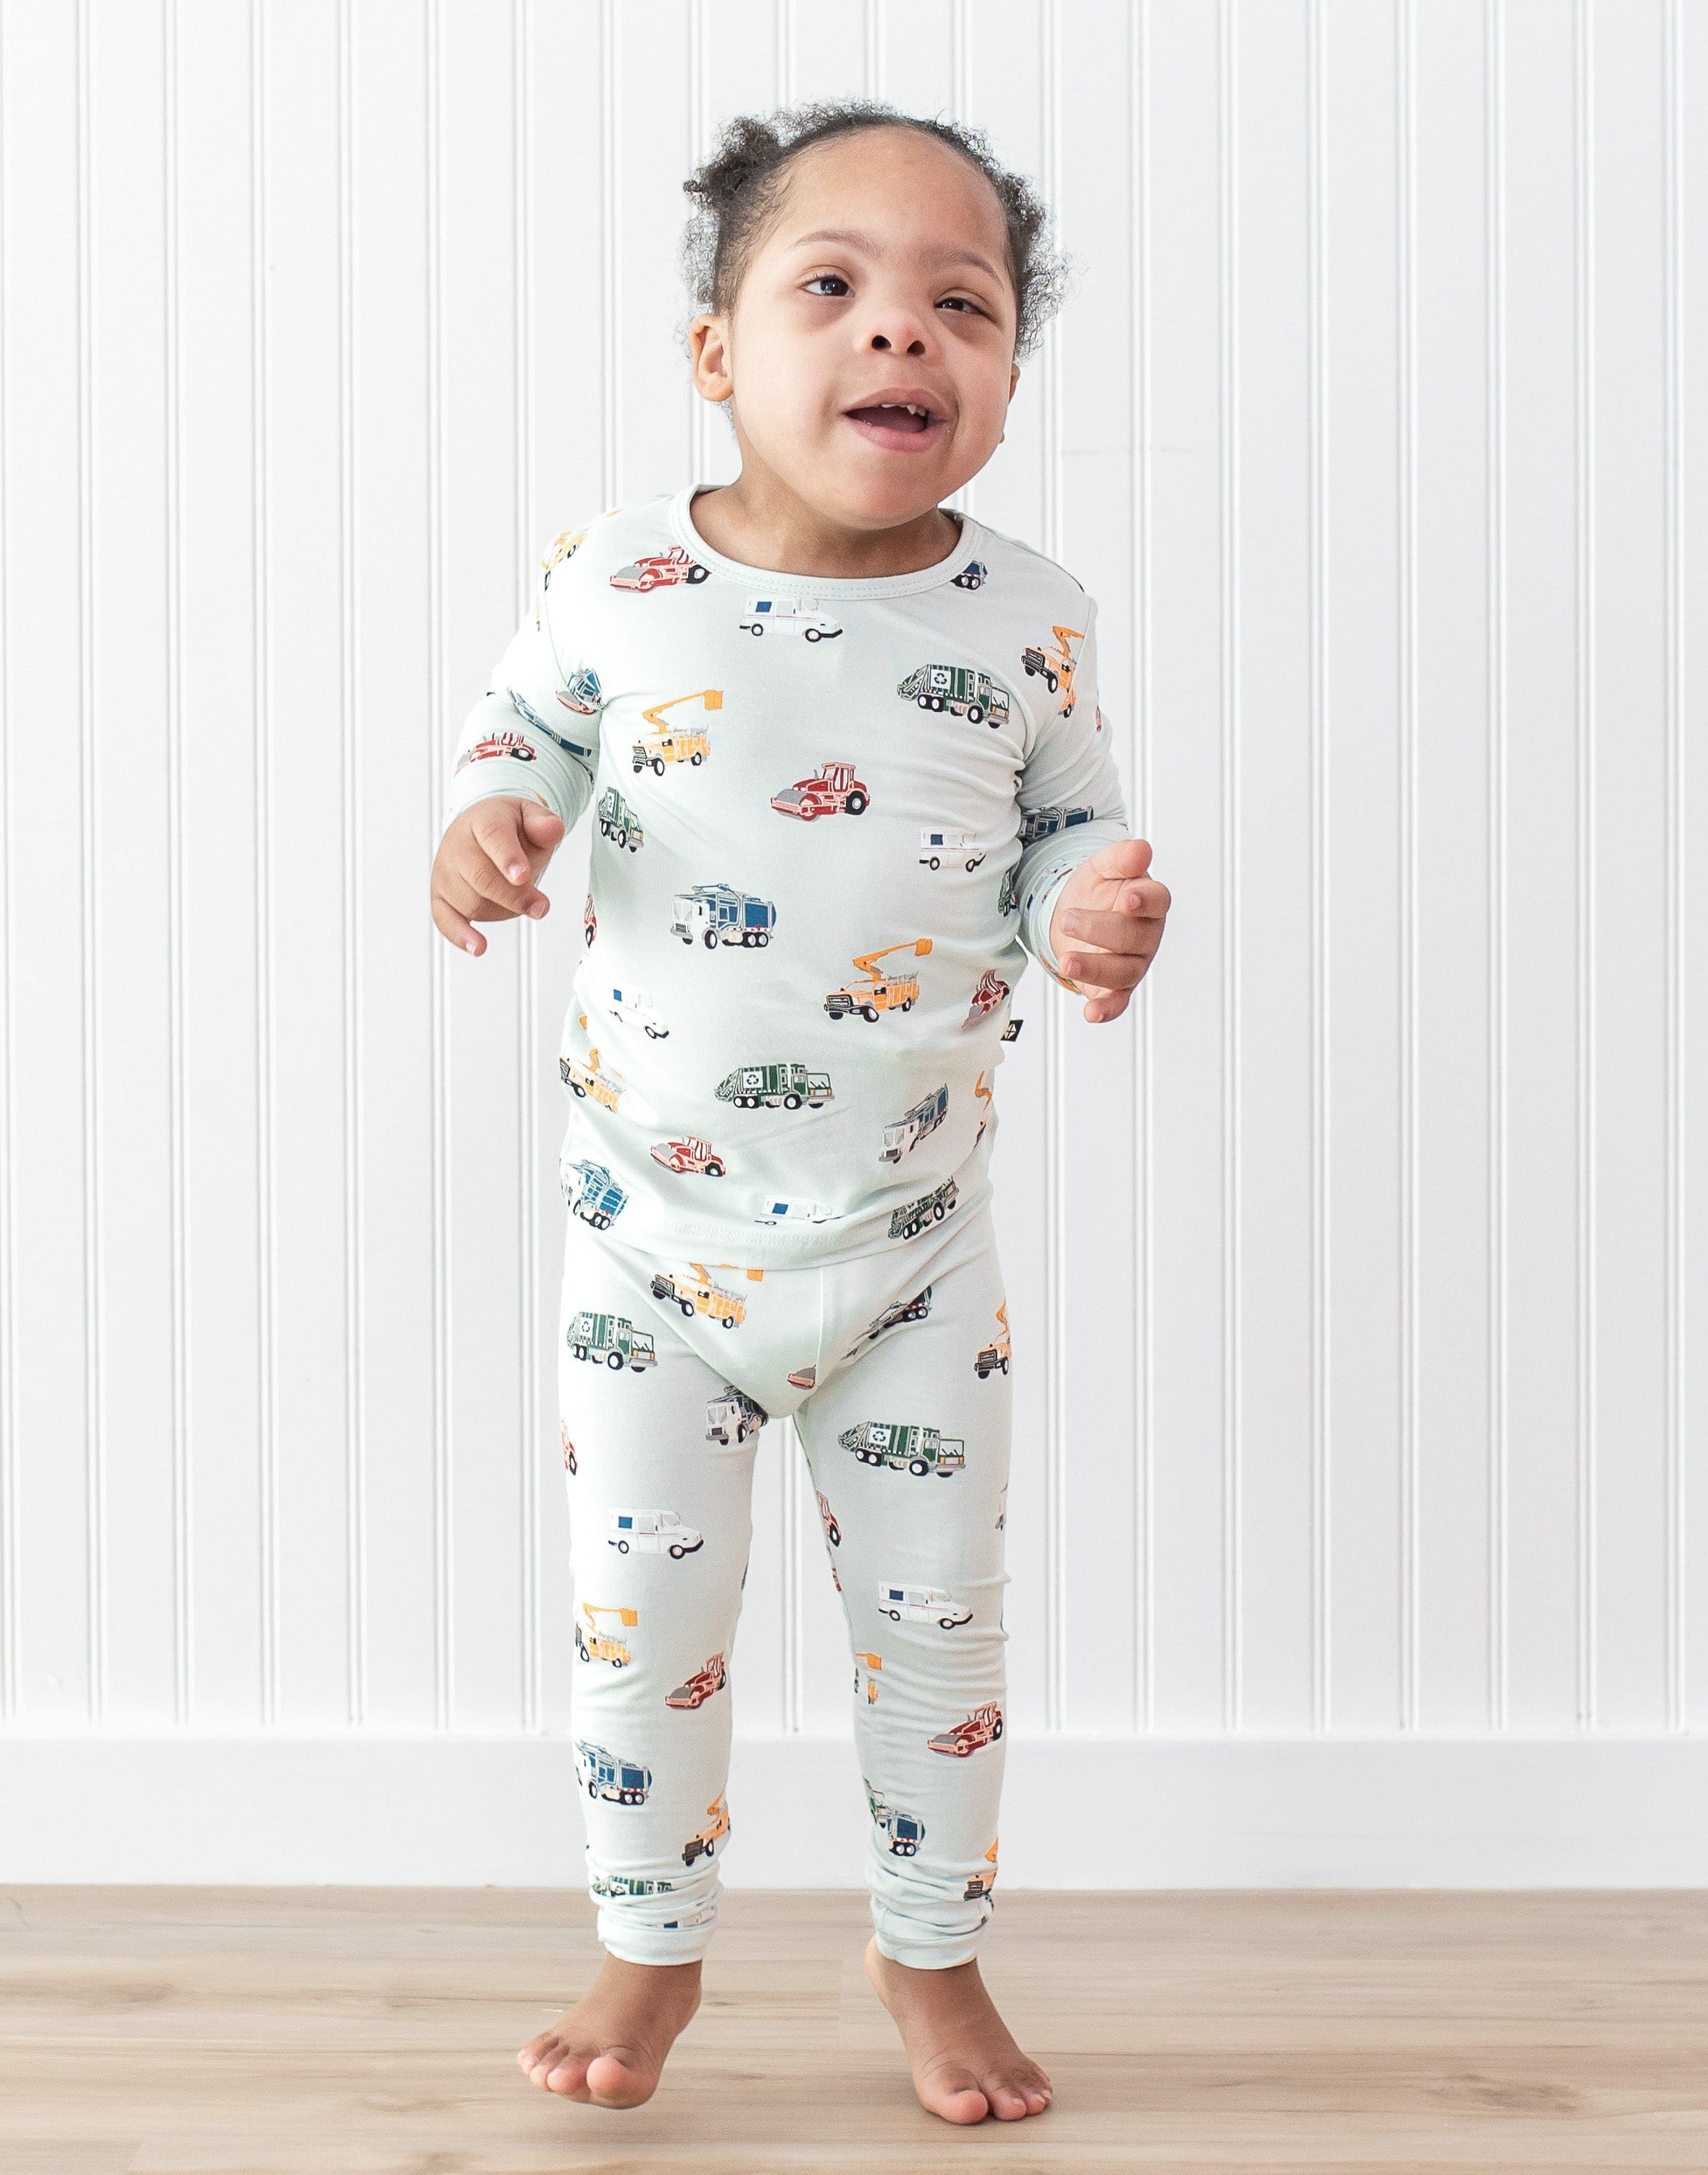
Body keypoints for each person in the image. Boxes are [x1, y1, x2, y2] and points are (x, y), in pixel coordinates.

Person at [428, 98, 1169, 2127]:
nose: (901, 338)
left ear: (1009, 368)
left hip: (913, 1252)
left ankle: (932, 1958)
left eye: (963, 304)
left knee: (940, 1633)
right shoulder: (616, 577)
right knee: (640, 1631)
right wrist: (485, 833)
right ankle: (644, 1954)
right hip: (651, 1255)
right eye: (831, 288)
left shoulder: (1030, 616)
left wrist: (1095, 919)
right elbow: (518, 740)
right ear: (717, 354)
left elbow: (1068, 843)